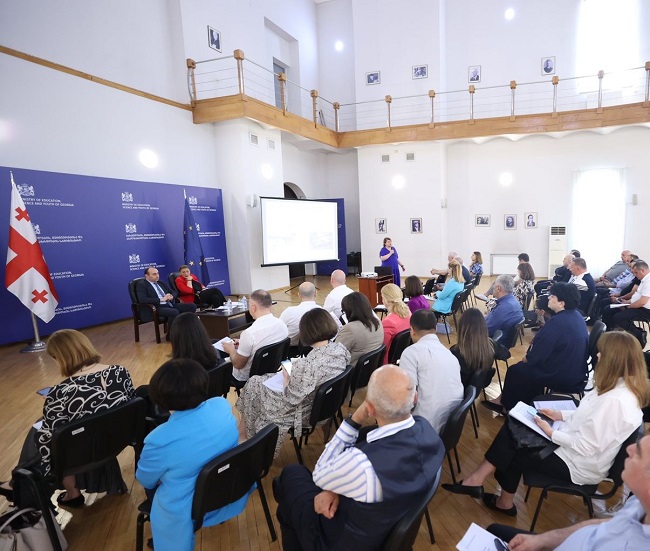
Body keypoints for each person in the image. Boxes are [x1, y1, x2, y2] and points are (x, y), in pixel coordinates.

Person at [444, 331, 649, 519]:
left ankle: (494, 495)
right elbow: (589, 415)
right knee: (514, 427)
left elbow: (587, 446)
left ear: (614, 361)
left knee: (514, 444)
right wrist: (560, 415)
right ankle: (484, 487)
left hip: (577, 465)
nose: (597, 355)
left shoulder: (615, 401)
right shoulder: (617, 388)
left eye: (602, 353)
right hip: (573, 446)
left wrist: (550, 432)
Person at [274, 365, 445, 551]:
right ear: (415, 397)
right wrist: (336, 489)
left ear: (369, 409)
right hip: (383, 527)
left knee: (291, 475)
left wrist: (355, 419)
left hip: (342, 542)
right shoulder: (429, 433)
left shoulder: (362, 464)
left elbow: (320, 476)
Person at [0, 329, 135, 506]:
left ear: (61, 358)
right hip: (116, 440)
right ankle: (17, 481)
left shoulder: (61, 392)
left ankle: (33, 485)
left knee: (38, 432)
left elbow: (50, 442)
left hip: (82, 451)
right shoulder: (120, 372)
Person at [136, 359, 251, 551]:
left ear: (160, 399)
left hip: (189, 506)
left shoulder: (158, 439)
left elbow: (145, 479)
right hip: (231, 485)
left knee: (160, 488)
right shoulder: (221, 405)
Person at [487, 432, 650, 549]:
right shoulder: (638, 502)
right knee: (493, 531)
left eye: (639, 453)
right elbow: (606, 524)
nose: (629, 449)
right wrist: (542, 540)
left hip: (580, 466)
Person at [236, 308, 350, 453]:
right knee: (256, 383)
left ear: (307, 333)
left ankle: (245, 437)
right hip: (322, 405)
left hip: (303, 411)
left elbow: (290, 398)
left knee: (254, 384)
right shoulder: (340, 350)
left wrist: (287, 378)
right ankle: (244, 434)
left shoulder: (307, 366)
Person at [484, 282, 588, 412]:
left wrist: (527, 358)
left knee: (516, 371)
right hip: (575, 370)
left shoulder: (557, 323)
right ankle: (506, 401)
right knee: (522, 369)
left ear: (562, 303)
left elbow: (537, 355)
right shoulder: (576, 316)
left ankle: (510, 407)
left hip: (561, 375)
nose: (549, 297)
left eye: (552, 296)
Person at [400, 309, 464, 433]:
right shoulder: (450, 355)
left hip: (423, 427)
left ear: (412, 330)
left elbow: (407, 399)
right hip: (449, 428)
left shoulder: (411, 353)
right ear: (436, 328)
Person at [222, 289, 288, 383]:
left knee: (218, 355)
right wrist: (243, 342)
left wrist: (231, 349)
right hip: (272, 369)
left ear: (253, 307)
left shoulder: (249, 333)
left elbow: (238, 364)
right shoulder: (282, 325)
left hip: (247, 377)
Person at [603, 260, 650, 347]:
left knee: (618, 317)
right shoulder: (644, 279)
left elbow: (642, 301)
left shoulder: (648, 281)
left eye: (636, 273)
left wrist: (628, 307)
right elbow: (636, 297)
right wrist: (626, 302)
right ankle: (609, 335)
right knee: (608, 309)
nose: (635, 275)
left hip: (645, 310)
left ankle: (639, 334)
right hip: (636, 305)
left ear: (642, 270)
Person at [136, 266, 197, 334]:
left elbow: (174, 292)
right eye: (154, 274)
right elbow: (142, 299)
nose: (157, 276)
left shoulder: (160, 283)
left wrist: (171, 296)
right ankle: (171, 335)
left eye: (157, 273)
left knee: (192, 306)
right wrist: (161, 299)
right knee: (174, 312)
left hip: (168, 304)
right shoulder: (142, 284)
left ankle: (185, 329)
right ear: (146, 276)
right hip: (156, 307)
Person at [335, 292, 384, 365]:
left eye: (344, 311)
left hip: (352, 369)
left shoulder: (350, 329)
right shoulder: (377, 323)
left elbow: (335, 355)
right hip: (370, 367)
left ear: (349, 311)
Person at [450, 308, 495, 387]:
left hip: (459, 391)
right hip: (475, 389)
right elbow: (506, 354)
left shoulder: (455, 353)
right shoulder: (490, 348)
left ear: (461, 328)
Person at [279, 281, 321, 355]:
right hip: (317, 350)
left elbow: (279, 330)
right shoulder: (323, 311)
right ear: (316, 293)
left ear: (299, 295)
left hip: (290, 351)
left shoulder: (289, 312)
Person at [379, 283, 411, 364]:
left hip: (387, 362)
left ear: (386, 300)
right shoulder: (408, 313)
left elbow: (382, 347)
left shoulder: (388, 322)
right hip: (403, 357)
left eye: (382, 297)